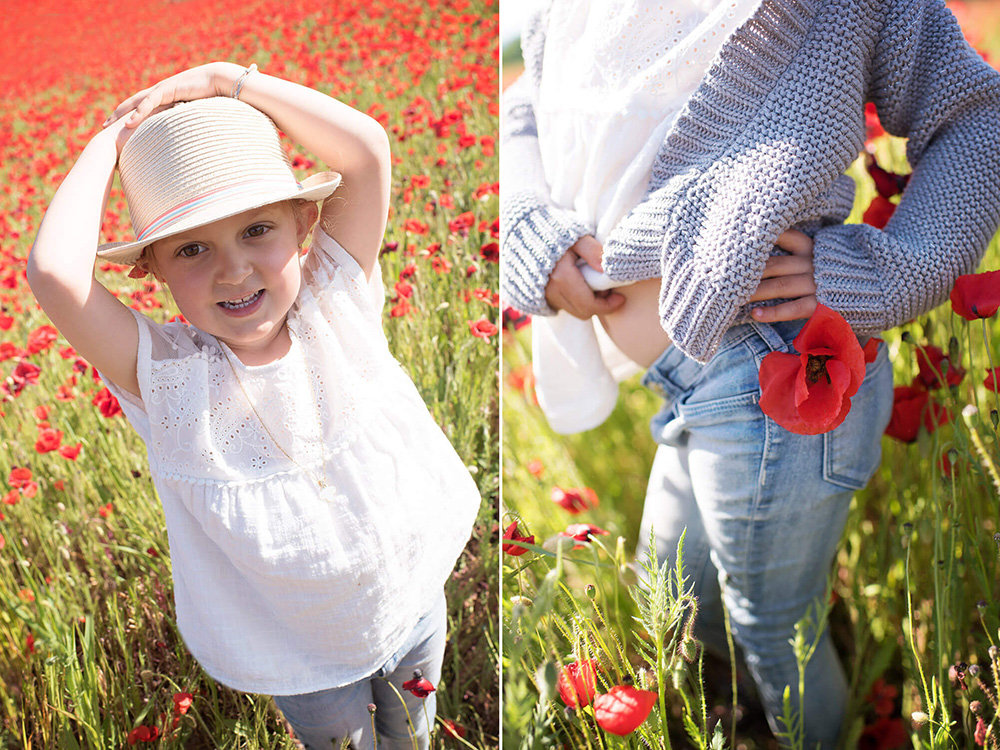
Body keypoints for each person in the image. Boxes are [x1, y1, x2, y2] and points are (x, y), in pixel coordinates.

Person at [501, 0, 1000, 745]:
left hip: (782, 370)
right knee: (675, 591)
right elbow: (524, 109)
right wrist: (527, 228)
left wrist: (895, 271)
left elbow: (976, 115)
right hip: (682, 378)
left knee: (771, 626)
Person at [28, 61, 481, 750]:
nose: (233, 269)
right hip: (299, 657)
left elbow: (366, 150)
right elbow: (55, 274)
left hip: (412, 597)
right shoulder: (169, 378)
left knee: (414, 733)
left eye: (257, 231)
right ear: (152, 269)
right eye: (192, 249)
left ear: (305, 222)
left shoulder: (337, 300)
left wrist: (228, 80)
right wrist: (113, 138)